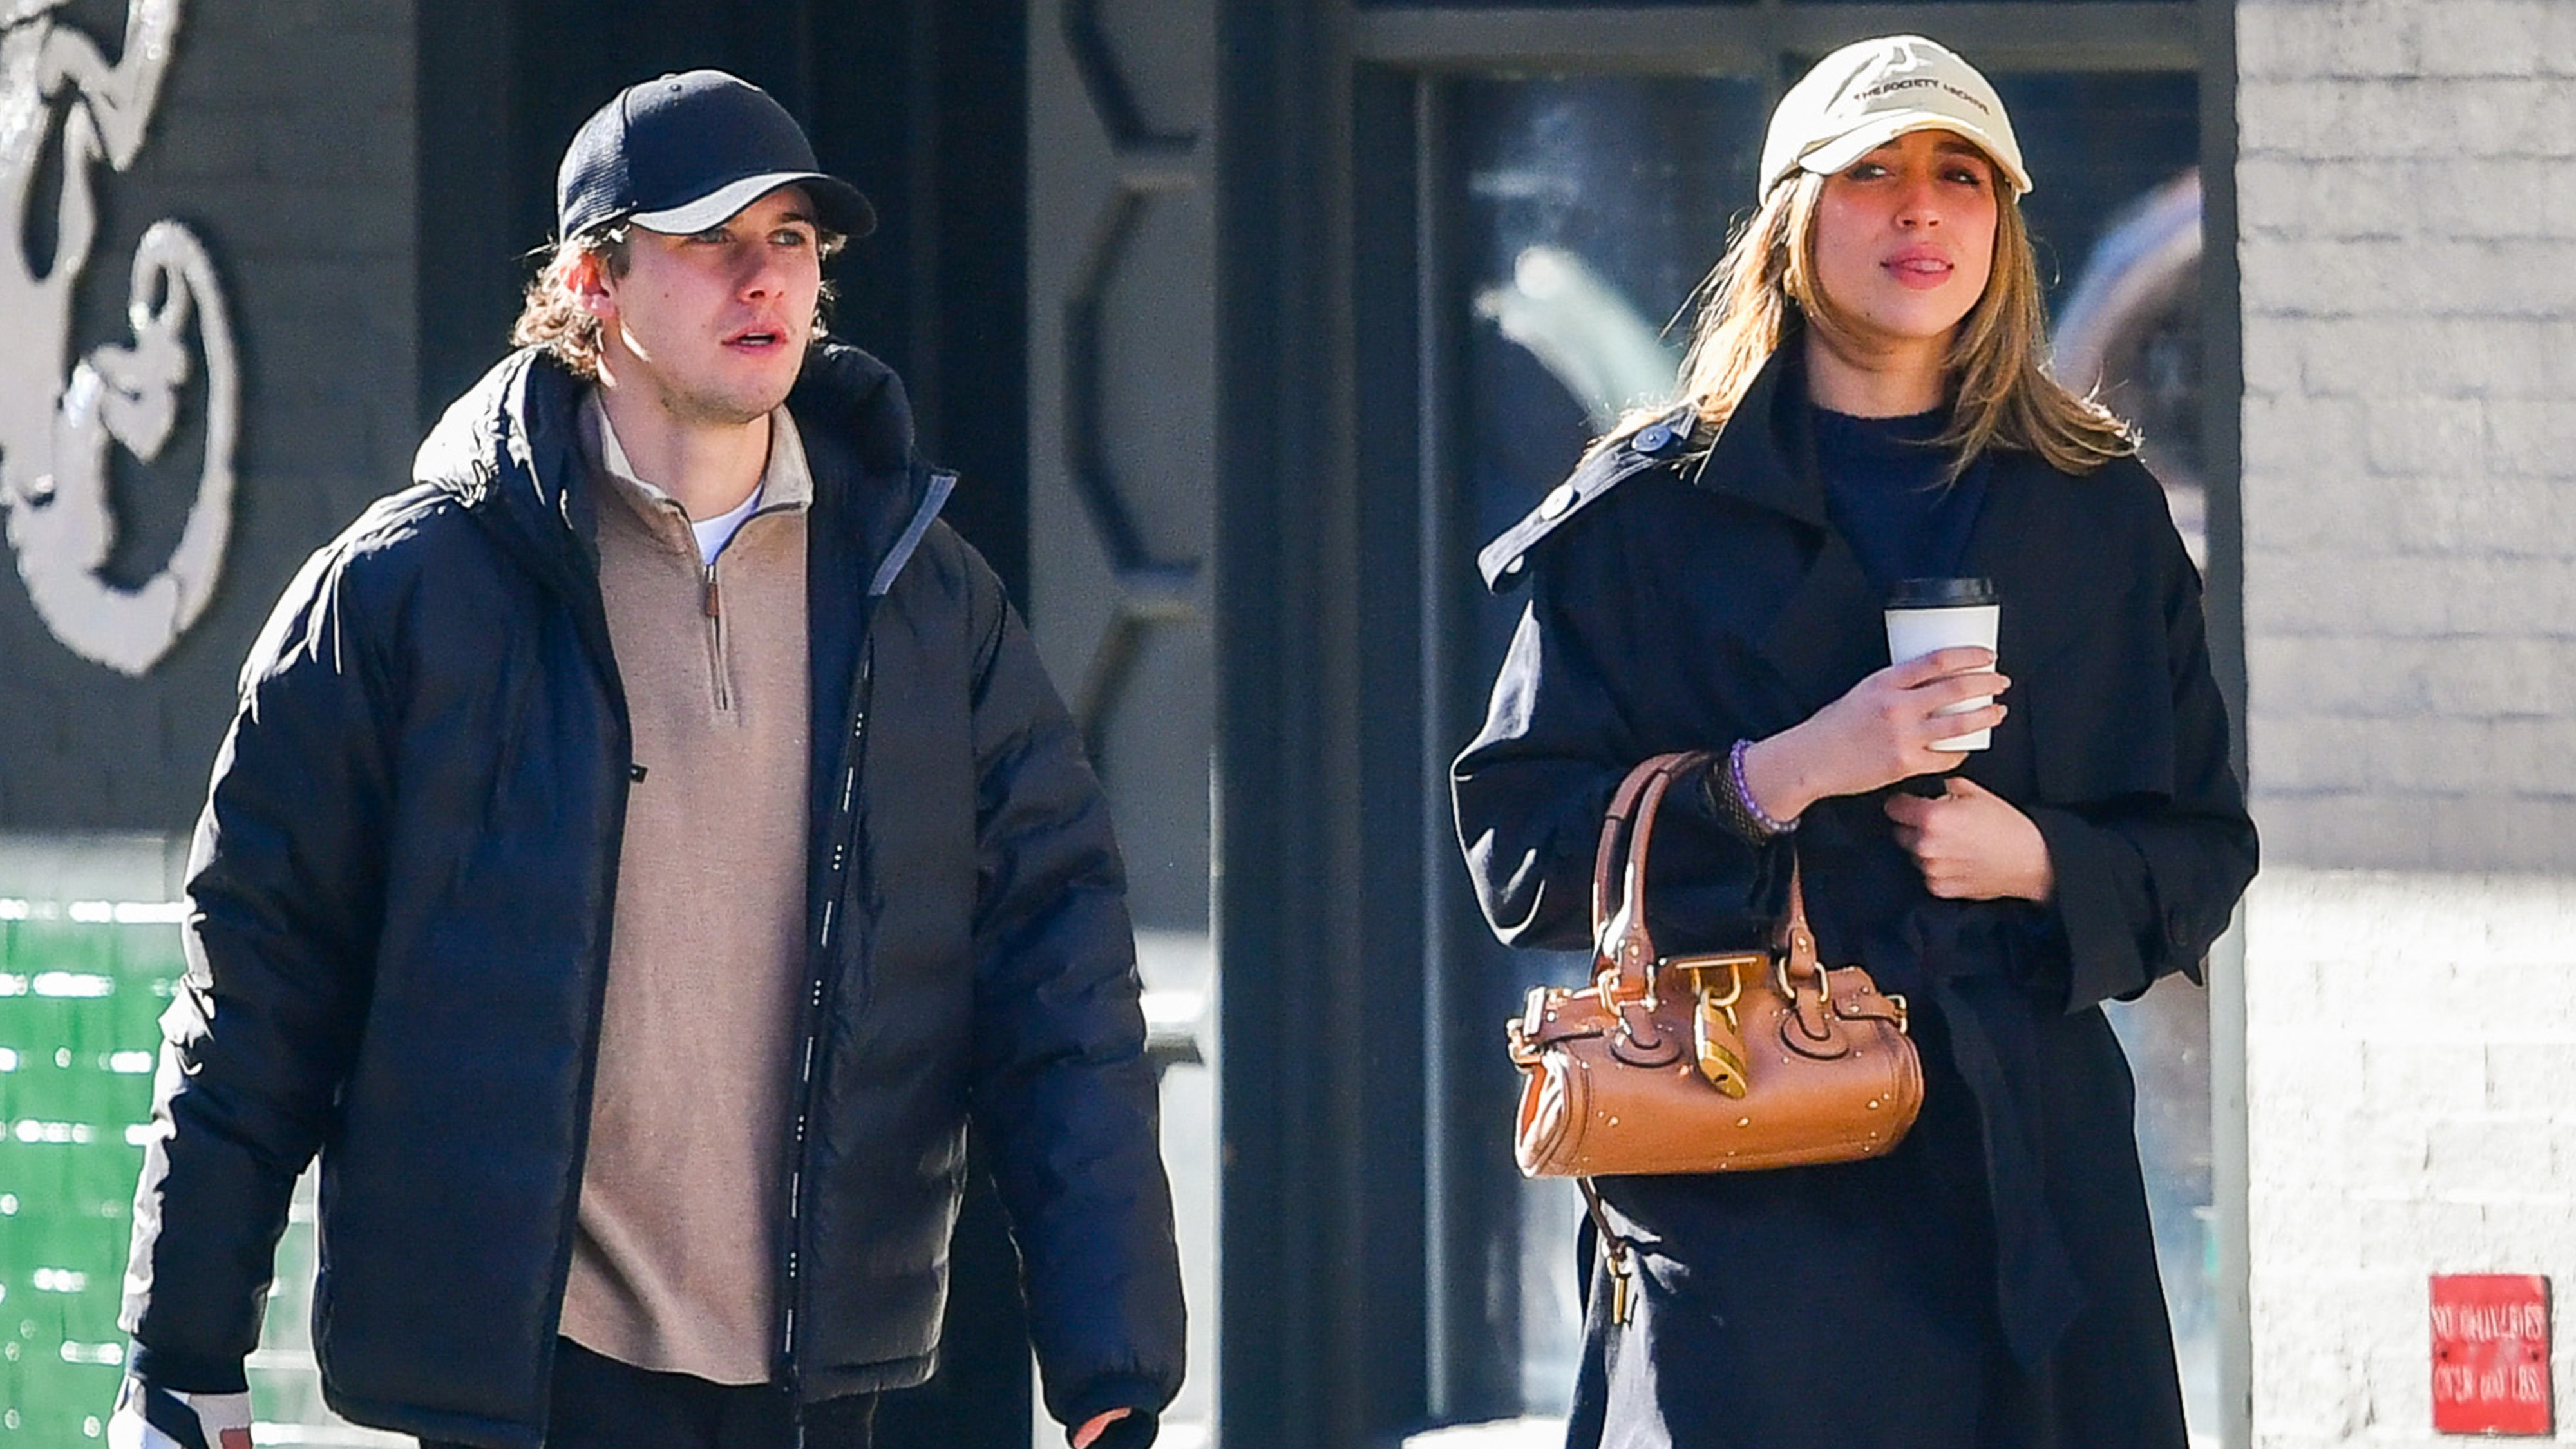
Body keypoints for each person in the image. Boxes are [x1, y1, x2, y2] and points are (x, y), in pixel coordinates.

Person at [108, 69, 1183, 1449]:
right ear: (592, 282)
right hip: (528, 1374)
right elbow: (260, 985)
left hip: (811, 1384)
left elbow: (1060, 977)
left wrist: (1111, 1365)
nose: (764, 279)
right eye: (711, 240)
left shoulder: (924, 600)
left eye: (791, 240)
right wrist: (181, 1355)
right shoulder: (408, 595)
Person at [1452, 35, 2256, 1449]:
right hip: (1742, 1183)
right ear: (1789, 223)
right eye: (1870, 172)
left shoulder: (2093, 517)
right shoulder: (1641, 517)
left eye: (1960, 177)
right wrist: (1781, 774)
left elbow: (2199, 852)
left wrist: (2036, 862)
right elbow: (1518, 853)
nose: (1918, 208)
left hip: (2030, 1203)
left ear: (2000, 228)